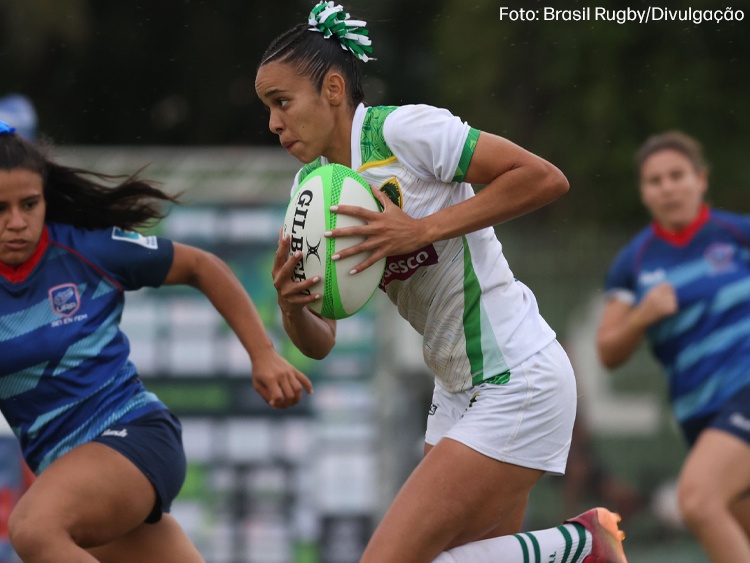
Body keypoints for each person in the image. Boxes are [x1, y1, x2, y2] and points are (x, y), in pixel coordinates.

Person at [256, 2, 627, 562]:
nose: (273, 123)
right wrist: (292, 309)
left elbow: (543, 178)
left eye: (282, 102)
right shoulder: (311, 189)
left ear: (333, 89)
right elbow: (321, 341)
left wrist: (420, 229)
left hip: (516, 375)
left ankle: (580, 545)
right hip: (456, 390)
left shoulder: (402, 131)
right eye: (268, 107)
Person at [0, 120, 312, 562]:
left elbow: (202, 266)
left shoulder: (85, 250)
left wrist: (263, 356)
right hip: (76, 480)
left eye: (29, 204)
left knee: (33, 528)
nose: (17, 222)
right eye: (0, 209)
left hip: (134, 438)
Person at [596, 130, 750, 563]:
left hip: (746, 392)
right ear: (644, 192)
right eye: (655, 180)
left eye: (677, 175)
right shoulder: (635, 262)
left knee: (698, 501)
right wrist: (641, 316)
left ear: (701, 179)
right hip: (700, 417)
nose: (667, 187)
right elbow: (608, 351)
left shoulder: (737, 234)